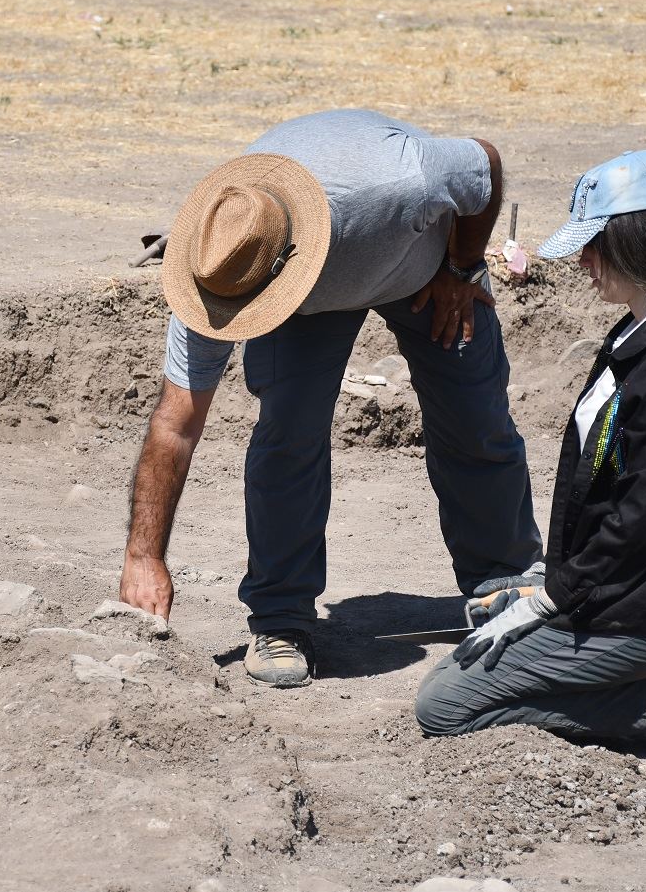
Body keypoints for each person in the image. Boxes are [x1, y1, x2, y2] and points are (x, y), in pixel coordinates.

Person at [119, 109, 544, 688]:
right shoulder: (221, 262)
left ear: (292, 259)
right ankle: (281, 619)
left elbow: (483, 164)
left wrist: (463, 267)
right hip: (306, 293)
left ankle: (506, 581)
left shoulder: (395, 185)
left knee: (474, 414)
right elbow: (175, 425)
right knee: (288, 433)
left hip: (422, 261)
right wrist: (144, 557)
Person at [414, 150, 646, 771]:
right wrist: (550, 586)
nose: (583, 259)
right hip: (618, 591)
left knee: (445, 706)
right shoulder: (644, 334)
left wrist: (550, 599)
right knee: (483, 638)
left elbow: (642, 515)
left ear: (639, 242)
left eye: (595, 243)